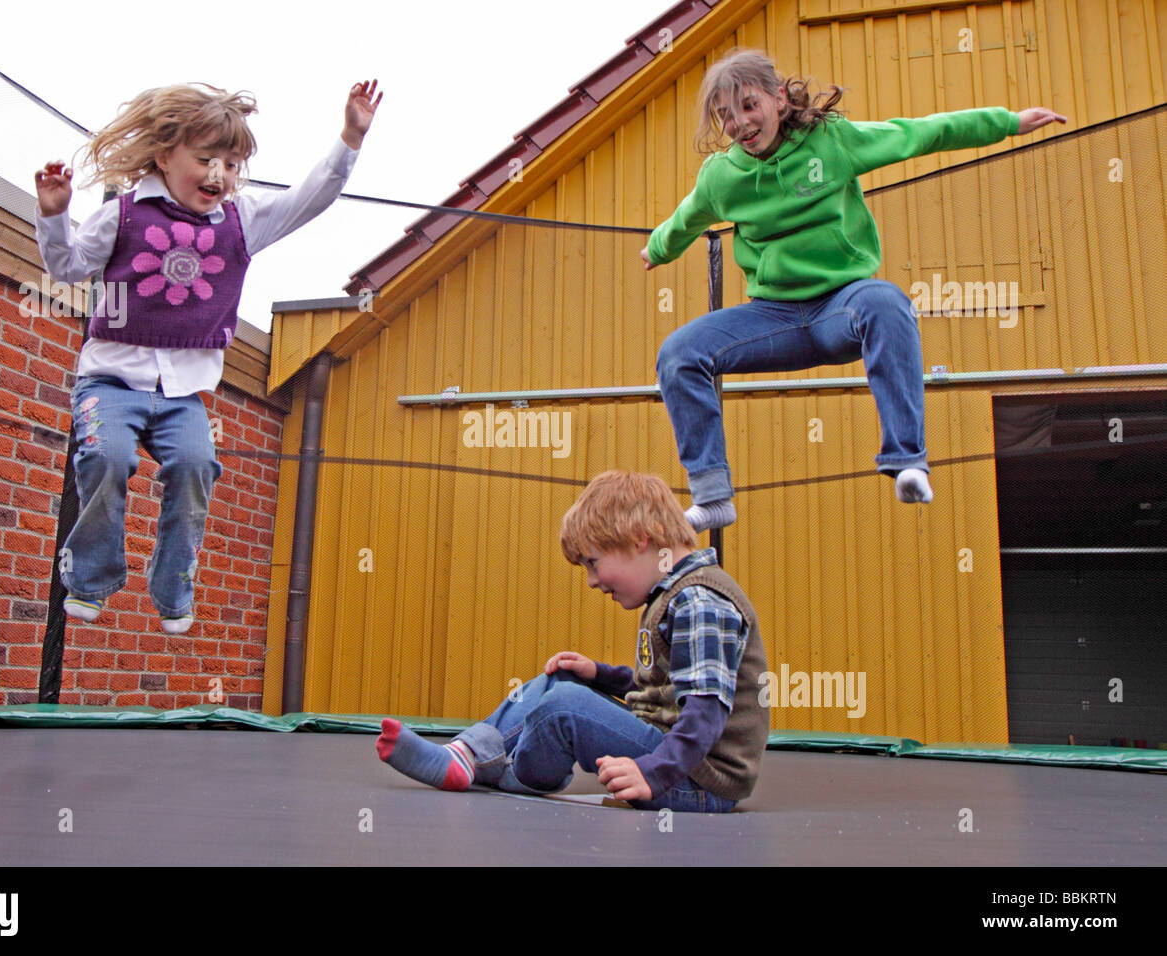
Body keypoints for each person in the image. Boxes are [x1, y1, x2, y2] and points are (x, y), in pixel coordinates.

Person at [641, 49, 1066, 531]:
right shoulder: (723, 176)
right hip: (773, 319)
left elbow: (920, 134)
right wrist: (658, 248)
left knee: (886, 301)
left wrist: (1008, 122)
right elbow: (689, 215)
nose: (739, 123)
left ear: (778, 98)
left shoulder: (832, 142)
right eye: (725, 116)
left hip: (842, 308)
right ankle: (713, 495)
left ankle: (907, 460)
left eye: (748, 106)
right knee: (680, 352)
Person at [34, 80, 382, 632]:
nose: (219, 175)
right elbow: (67, 268)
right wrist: (54, 217)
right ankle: (91, 580)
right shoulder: (123, 215)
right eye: (205, 160)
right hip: (110, 384)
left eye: (231, 162)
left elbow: (310, 198)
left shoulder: (242, 221)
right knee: (107, 459)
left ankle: (174, 589)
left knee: (197, 468)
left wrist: (349, 138)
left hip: (183, 397)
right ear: (164, 156)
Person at [376, 470, 769, 812]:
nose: (592, 582)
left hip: (695, 779)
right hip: (672, 757)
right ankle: (464, 753)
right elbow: (665, 691)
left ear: (639, 539)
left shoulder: (699, 600)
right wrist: (598, 673)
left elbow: (705, 710)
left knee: (564, 706)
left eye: (593, 564)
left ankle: (509, 774)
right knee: (559, 682)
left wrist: (653, 772)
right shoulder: (672, 594)